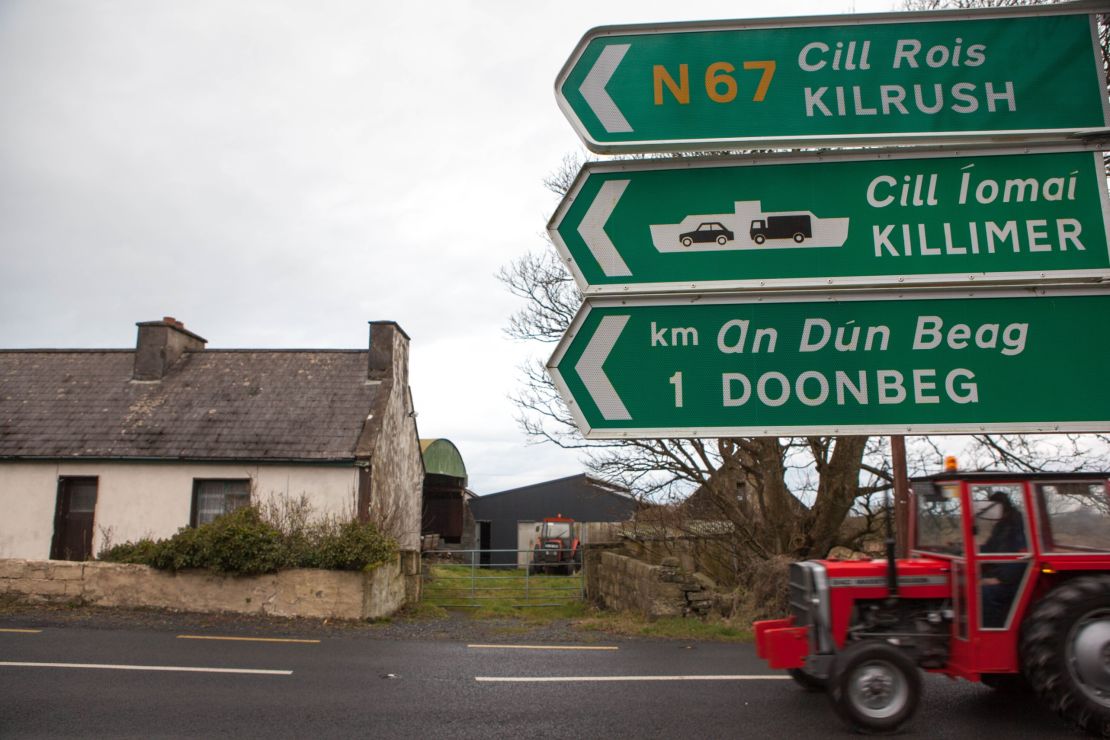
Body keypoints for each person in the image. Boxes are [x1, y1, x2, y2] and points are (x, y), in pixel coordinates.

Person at [978, 491, 1027, 628]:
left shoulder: (1018, 526)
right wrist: (965, 550)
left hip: (1014, 580)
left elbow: (1021, 556)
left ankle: (990, 632)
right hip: (999, 572)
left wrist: (1000, 579)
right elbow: (990, 547)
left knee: (984, 592)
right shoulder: (1002, 525)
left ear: (1000, 507)